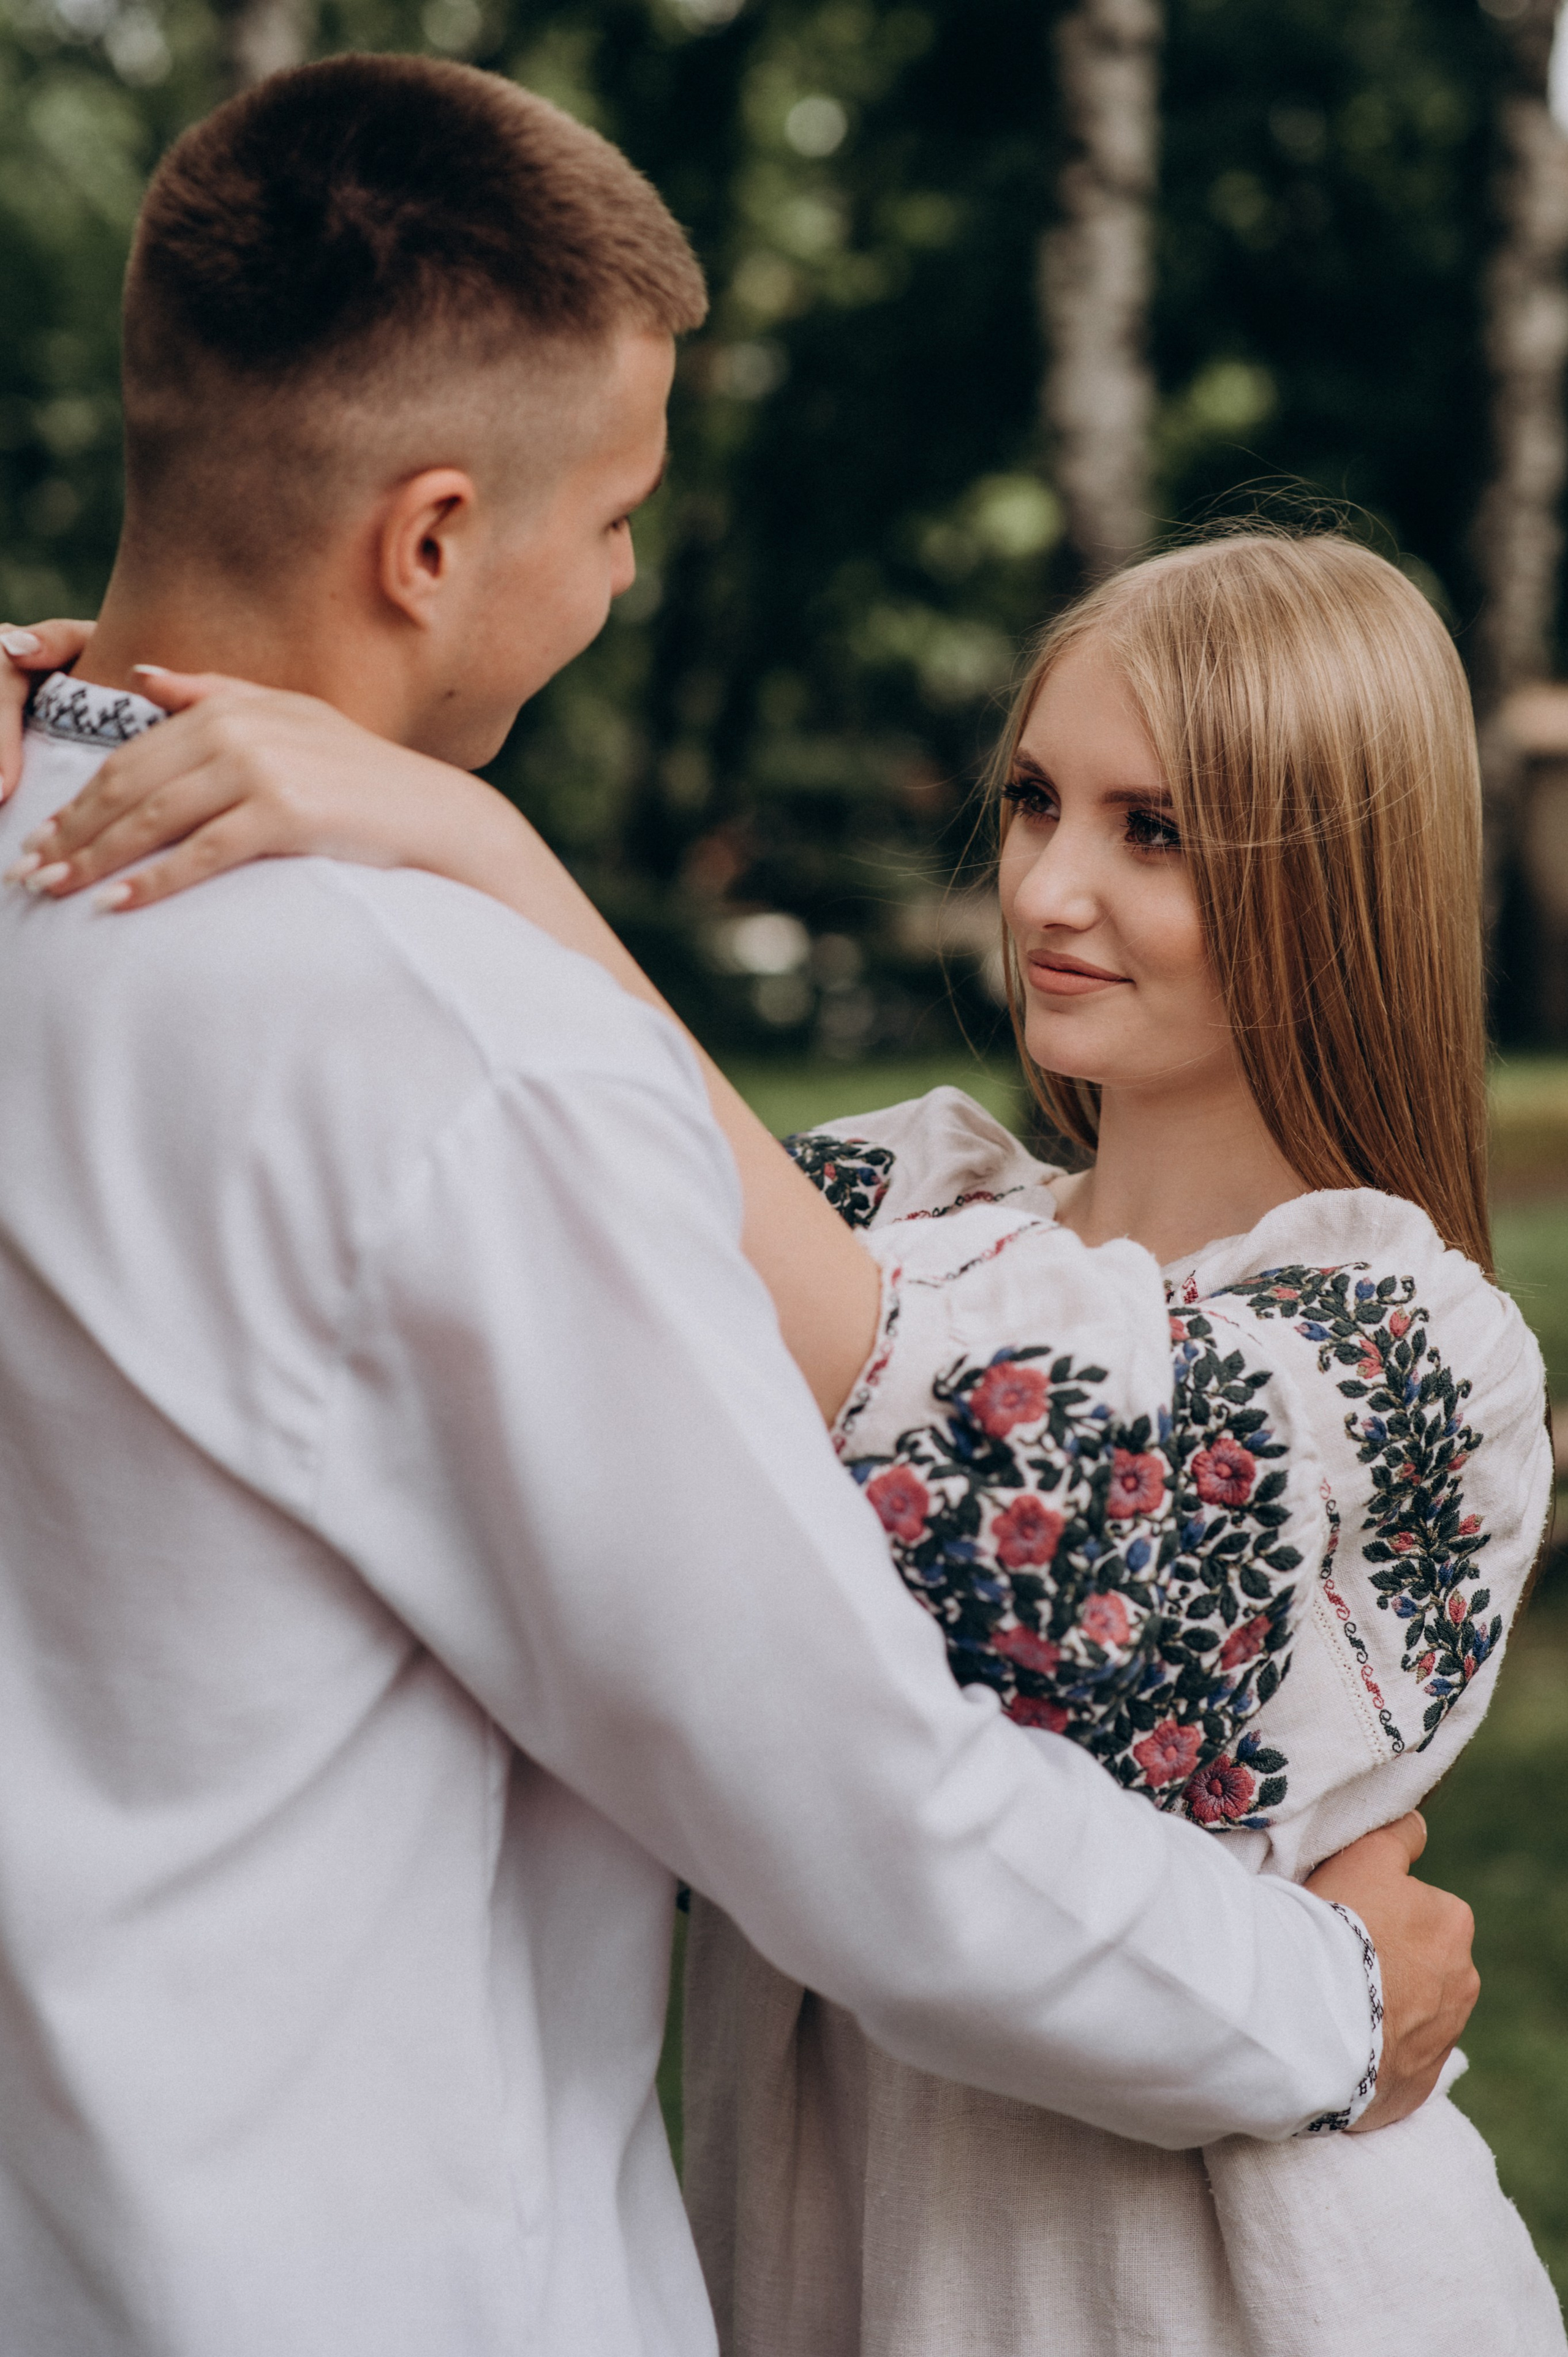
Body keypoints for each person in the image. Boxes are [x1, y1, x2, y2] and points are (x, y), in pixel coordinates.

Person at [0, 55, 1476, 2357]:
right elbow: (858, 1804)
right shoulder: (466, 1059)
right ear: (429, 540)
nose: (625, 571)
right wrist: (1330, 2001)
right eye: (615, 516)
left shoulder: (31, 883)